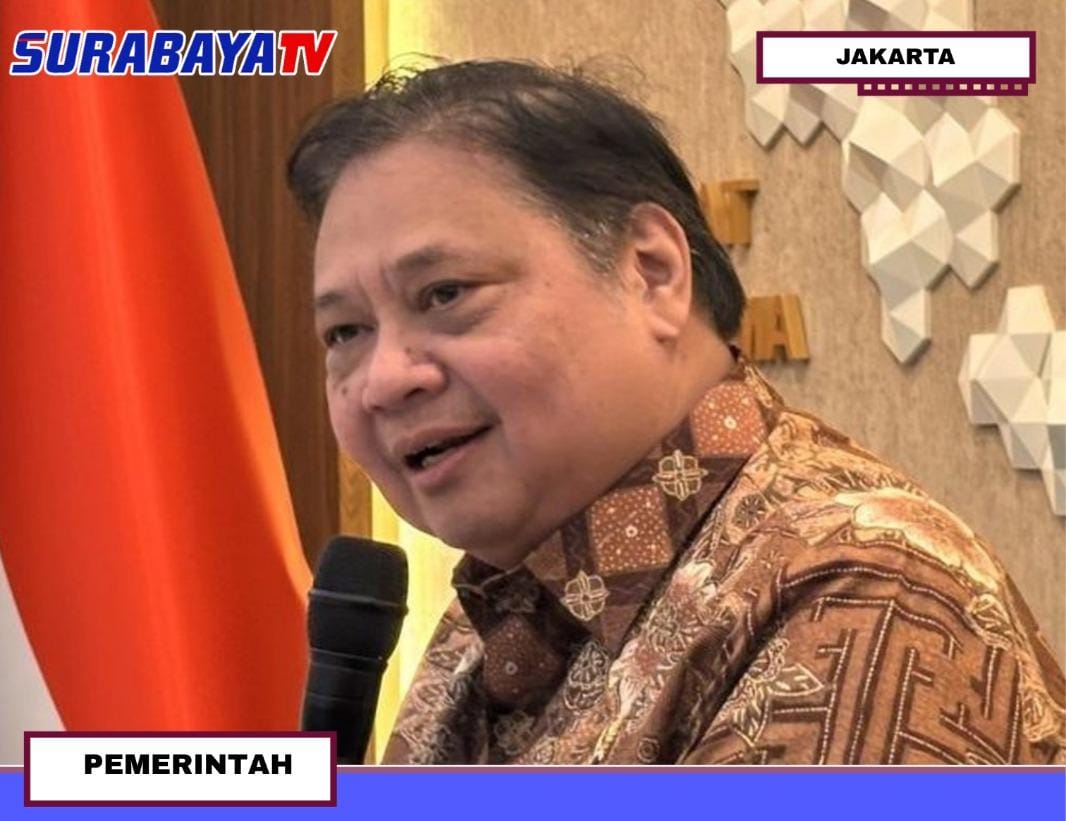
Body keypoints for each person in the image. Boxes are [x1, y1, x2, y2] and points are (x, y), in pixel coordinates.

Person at [287, 59, 1064, 765]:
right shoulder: (503, 605)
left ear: (652, 273)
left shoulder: (862, 592)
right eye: (345, 332)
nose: (384, 380)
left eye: (445, 294)